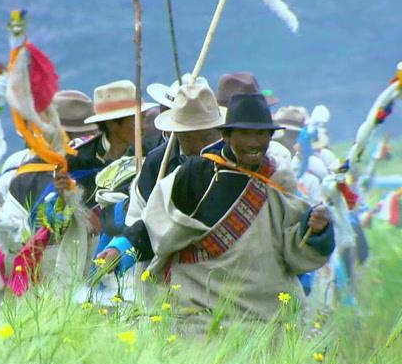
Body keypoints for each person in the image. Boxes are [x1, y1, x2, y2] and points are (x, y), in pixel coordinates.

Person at [141, 93, 335, 332]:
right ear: (226, 135)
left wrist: (315, 230)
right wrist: (119, 249)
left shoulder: (278, 179)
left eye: (261, 134)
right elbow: (155, 227)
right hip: (199, 316)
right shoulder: (195, 175)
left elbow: (295, 252)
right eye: (245, 133)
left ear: (271, 136)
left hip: (265, 319)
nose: (254, 142)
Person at [0, 80, 155, 296]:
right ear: (114, 124)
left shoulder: (149, 152)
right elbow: (51, 219)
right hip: (83, 256)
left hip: (132, 248)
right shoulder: (77, 160)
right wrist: (70, 201)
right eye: (135, 119)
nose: (142, 124)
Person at [94, 78, 226, 272]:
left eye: (208, 134)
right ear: (178, 133)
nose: (203, 144)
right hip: (172, 273)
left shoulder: (233, 159)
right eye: (191, 134)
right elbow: (147, 221)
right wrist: (122, 247)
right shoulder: (158, 162)